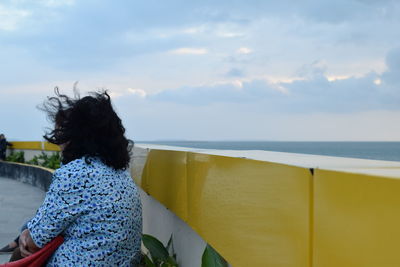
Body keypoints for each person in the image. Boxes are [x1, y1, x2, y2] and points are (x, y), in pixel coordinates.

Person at [6, 89, 142, 266]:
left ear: (74, 137)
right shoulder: (119, 172)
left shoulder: (74, 173)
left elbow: (34, 242)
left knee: (21, 252)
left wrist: (25, 235)